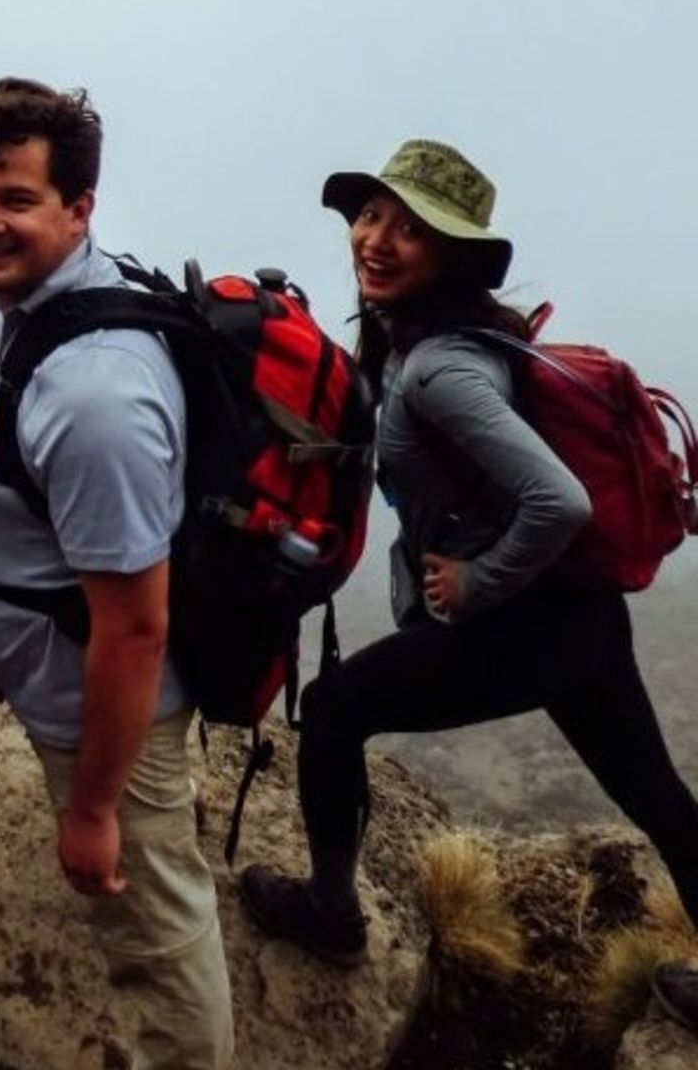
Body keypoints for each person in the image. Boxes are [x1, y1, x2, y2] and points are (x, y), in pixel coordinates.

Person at [239, 139, 698, 967]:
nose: (375, 240)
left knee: (335, 709)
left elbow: (560, 500)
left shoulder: (440, 368)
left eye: (408, 230)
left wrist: (477, 581)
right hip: (580, 617)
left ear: (452, 258)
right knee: (658, 798)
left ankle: (331, 917)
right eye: (371, 215)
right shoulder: (432, 342)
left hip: (526, 622)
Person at [0, 78, 234, 1070]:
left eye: (15, 199)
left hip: (102, 699)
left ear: (79, 208)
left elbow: (135, 630)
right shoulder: (47, 305)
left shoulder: (93, 394)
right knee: (152, 907)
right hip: (65, 671)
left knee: (156, 938)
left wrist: (97, 809)